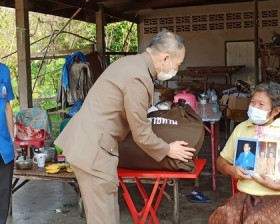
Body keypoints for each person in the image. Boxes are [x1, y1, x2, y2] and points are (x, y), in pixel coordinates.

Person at [55, 29, 196, 224]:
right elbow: (141, 133)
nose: (177, 69)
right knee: (104, 219)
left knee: (107, 214)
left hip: (88, 144)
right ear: (165, 58)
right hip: (95, 151)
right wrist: (168, 149)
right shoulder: (138, 78)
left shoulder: (130, 63)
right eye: (178, 64)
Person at [209, 82, 280, 224]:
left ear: (275, 111)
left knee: (258, 220)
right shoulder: (242, 128)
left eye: (261, 104)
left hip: (275, 196)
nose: (254, 107)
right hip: (244, 196)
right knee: (221, 217)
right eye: (253, 102)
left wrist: (275, 186)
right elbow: (220, 162)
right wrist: (230, 169)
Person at [0, 62, 16, 224]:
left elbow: (7, 108)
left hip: (3, 144)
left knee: (4, 189)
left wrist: (13, 140)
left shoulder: (3, 70)